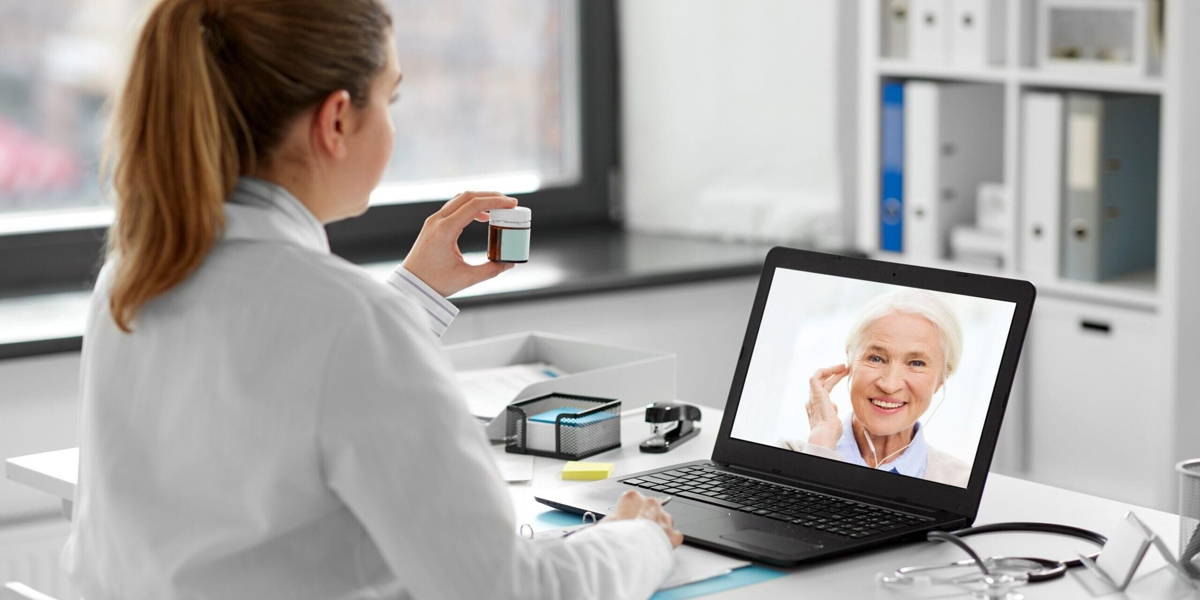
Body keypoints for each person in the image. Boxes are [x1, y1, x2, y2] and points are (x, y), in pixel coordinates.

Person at [63, 1, 681, 598]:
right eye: (392, 97)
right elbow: (513, 593)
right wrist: (638, 539)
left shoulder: (129, 278)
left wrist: (415, 294)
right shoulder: (348, 322)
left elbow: (279, 380)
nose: (392, 120)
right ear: (336, 121)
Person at [782, 290, 971, 487]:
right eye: (876, 358)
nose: (889, 385)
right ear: (850, 360)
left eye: (916, 363)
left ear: (942, 378)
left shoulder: (959, 483)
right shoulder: (791, 455)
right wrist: (821, 447)